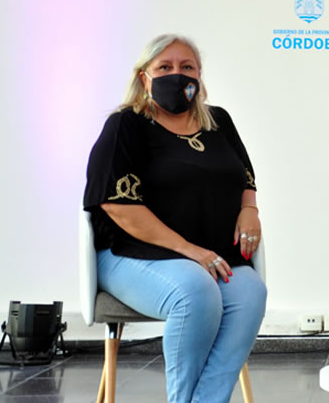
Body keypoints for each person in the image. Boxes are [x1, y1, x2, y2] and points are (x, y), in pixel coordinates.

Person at [82, 34, 267, 403]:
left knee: (250, 293)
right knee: (195, 291)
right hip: (131, 253)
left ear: (199, 76)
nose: (176, 74)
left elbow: (244, 176)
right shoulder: (125, 126)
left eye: (187, 67)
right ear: (144, 77)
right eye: (164, 67)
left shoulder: (219, 122)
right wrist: (189, 250)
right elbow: (117, 205)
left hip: (211, 255)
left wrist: (250, 209)